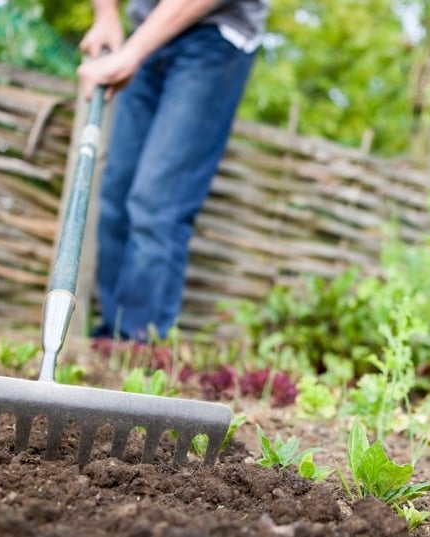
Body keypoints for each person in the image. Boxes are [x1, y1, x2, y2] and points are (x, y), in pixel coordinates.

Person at [76, 0, 268, 347]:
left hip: (214, 37)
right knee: (116, 199)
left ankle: (137, 350)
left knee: (156, 203)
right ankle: (110, 338)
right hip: (146, 33)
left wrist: (132, 52)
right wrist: (105, 15)